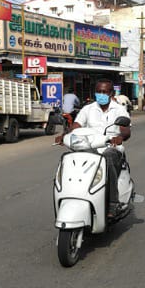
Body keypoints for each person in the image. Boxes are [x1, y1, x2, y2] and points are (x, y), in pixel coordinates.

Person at [55, 79, 131, 218]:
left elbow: (126, 130)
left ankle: (113, 204)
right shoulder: (87, 109)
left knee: (108, 158)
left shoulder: (119, 109)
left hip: (111, 147)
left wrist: (120, 137)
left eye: (104, 92)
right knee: (70, 159)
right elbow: (76, 125)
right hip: (89, 147)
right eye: (98, 92)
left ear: (111, 93)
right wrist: (65, 135)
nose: (101, 94)